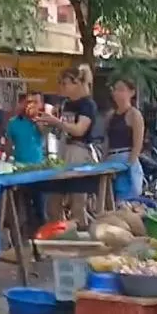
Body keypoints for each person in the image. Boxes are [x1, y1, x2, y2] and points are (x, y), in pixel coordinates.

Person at [35, 64, 100, 226]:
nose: (61, 87)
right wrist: (44, 122)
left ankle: (82, 236)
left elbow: (79, 130)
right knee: (53, 202)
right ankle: (59, 234)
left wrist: (57, 122)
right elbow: (56, 130)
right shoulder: (64, 104)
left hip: (79, 153)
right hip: (62, 152)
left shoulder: (87, 105)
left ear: (77, 83)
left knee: (78, 204)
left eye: (65, 83)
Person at [106, 78, 145, 200]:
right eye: (116, 90)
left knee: (126, 198)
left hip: (126, 157)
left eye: (122, 90)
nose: (117, 93)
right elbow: (106, 140)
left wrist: (129, 164)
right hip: (110, 158)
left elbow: (137, 144)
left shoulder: (134, 114)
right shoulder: (110, 115)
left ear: (131, 93)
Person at [7, 91, 46, 165]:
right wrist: (7, 159)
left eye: (36, 102)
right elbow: (9, 143)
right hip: (19, 164)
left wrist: (35, 119)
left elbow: (45, 133)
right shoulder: (13, 122)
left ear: (41, 104)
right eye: (29, 102)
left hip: (38, 164)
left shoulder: (44, 120)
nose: (32, 105)